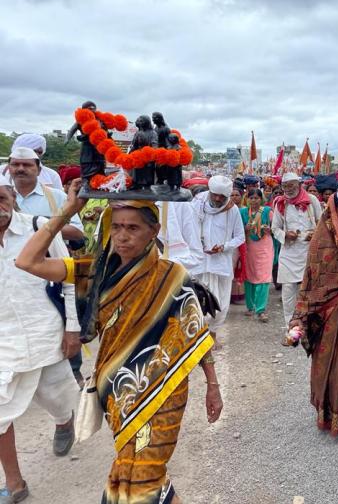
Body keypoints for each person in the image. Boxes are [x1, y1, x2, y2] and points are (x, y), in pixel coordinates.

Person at [15, 182, 223, 504]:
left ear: (153, 231)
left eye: (133, 228)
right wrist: (68, 212)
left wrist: (213, 386)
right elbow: (27, 261)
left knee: (145, 476)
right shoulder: (95, 272)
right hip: (118, 392)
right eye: (117, 227)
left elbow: (197, 332)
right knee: (129, 471)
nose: (122, 235)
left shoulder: (172, 276)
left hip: (162, 392)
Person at [0, 174, 79, 504]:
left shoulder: (37, 226)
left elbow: (70, 276)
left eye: (1, 200)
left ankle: (64, 421)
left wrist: (72, 327)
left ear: (12, 198)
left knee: (57, 398)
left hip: (45, 333)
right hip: (4, 340)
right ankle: (15, 482)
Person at [284, 194, 338, 435]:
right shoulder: (321, 240)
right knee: (326, 359)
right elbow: (311, 279)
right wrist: (303, 313)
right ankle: (327, 411)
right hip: (326, 308)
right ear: (334, 210)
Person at [191, 175, 246, 343]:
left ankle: (213, 334)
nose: (217, 198)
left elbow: (240, 237)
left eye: (221, 196)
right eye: (214, 194)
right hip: (199, 262)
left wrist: (224, 246)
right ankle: (198, 339)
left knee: (220, 303)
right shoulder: (197, 203)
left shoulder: (232, 209)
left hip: (221, 263)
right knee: (197, 301)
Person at [271, 173, 322, 328]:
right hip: (289, 252)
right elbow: (275, 228)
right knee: (287, 290)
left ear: (299, 185)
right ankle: (290, 326)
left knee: (307, 289)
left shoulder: (312, 200)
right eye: (285, 186)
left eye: (291, 185)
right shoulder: (280, 203)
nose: (288, 189)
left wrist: (314, 235)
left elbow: (321, 223)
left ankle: (307, 323)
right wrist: (286, 235)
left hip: (309, 250)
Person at [7, 147, 84, 242]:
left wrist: (35, 226)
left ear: (39, 170)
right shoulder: (3, 197)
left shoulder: (58, 196)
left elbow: (77, 232)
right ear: (9, 169)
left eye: (27, 165)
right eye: (15, 164)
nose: (21, 169)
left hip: (49, 256)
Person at [240, 189, 274, 322]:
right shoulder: (242, 212)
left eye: (256, 198)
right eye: (251, 198)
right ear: (247, 199)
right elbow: (236, 230)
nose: (254, 201)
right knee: (249, 275)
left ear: (261, 199)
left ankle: (261, 309)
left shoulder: (267, 211)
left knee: (264, 277)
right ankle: (250, 306)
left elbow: (277, 227)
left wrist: (269, 230)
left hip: (264, 246)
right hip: (249, 247)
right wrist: (245, 229)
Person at [230, 187, 247, 305]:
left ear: (241, 197)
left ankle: (239, 294)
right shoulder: (225, 210)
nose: (234, 197)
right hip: (229, 243)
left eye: (237, 195)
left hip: (241, 243)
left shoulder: (245, 211)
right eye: (232, 195)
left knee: (239, 266)